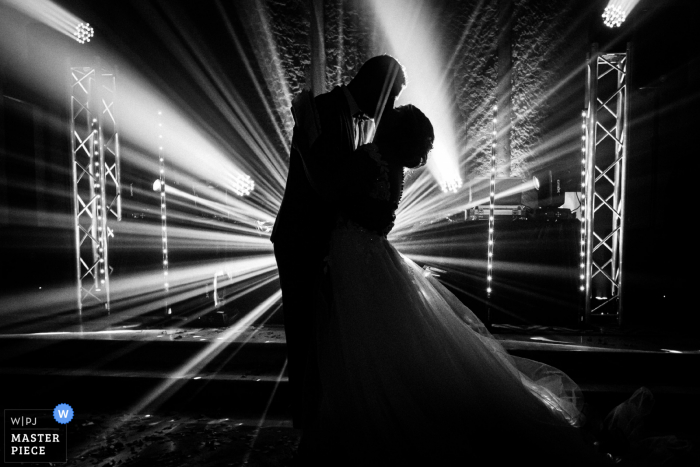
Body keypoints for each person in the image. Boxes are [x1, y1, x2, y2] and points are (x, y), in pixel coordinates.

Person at [310, 105, 611, 466]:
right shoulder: (393, 166)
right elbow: (380, 218)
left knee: (365, 334)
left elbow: (335, 197)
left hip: (354, 252)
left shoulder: (372, 157)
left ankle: (373, 417)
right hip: (366, 251)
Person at [270, 55, 406, 459]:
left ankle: (319, 420)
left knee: (321, 335)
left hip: (321, 240)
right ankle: (310, 424)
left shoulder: (342, 115)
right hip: (301, 237)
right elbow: (328, 187)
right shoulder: (328, 111)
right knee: (307, 333)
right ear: (375, 87)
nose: (393, 105)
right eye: (393, 94)